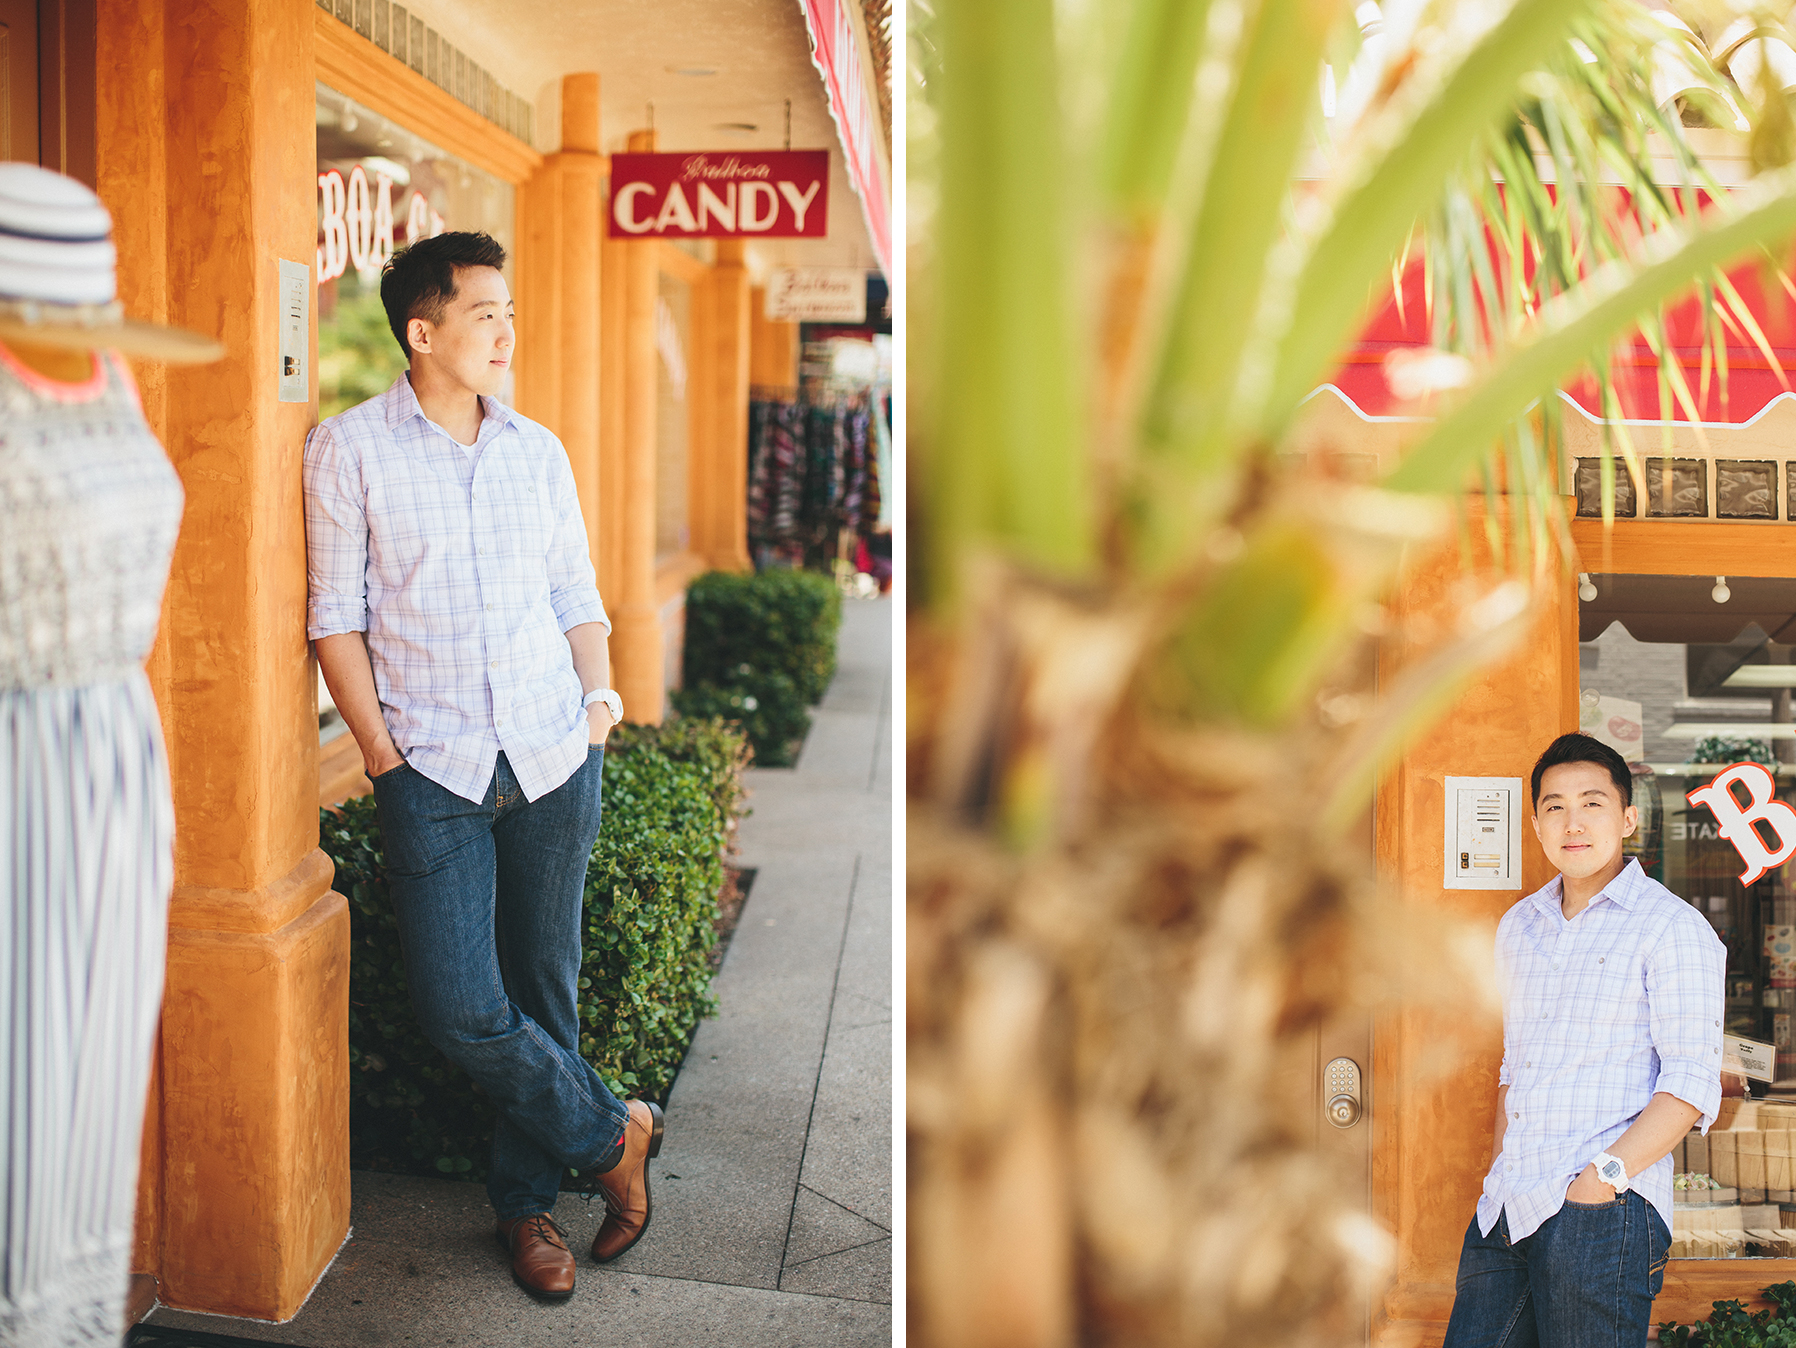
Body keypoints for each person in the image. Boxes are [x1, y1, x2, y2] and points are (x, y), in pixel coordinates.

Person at [303, 230, 661, 1304]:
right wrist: (380, 753)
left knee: (544, 988)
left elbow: (574, 594)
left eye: (509, 312)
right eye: (484, 314)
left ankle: (526, 1209)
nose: (507, 331)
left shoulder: (536, 450)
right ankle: (615, 1137)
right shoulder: (347, 451)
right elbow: (334, 618)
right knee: (461, 1007)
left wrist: (597, 705)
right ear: (423, 333)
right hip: (432, 770)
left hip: (554, 753)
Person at [0, 163, 223, 1343]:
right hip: (15, 754)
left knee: (90, 1075)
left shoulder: (110, 366)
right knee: (20, 1071)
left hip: (115, 760)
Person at [1443, 732, 1725, 1348]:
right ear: (1536, 825)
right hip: (1507, 1205)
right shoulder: (1519, 926)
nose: (1573, 822)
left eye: (1592, 803)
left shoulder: (1673, 928)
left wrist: (1601, 1180)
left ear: (1627, 819)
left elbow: (1690, 1083)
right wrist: (1499, 1171)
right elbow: (1514, 1068)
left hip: (1601, 1212)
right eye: (1555, 806)